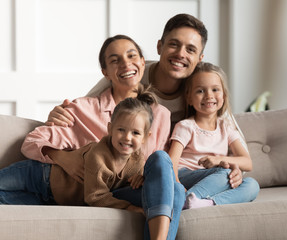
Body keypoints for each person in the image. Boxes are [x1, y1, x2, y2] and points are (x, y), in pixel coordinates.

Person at [1, 34, 184, 240]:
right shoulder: (84, 108)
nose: (125, 63)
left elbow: (156, 163)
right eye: (115, 60)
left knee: (175, 191)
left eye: (132, 56)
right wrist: (64, 158)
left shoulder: (161, 115)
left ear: (143, 62)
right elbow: (33, 140)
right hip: (71, 186)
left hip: (119, 191)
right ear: (105, 72)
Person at [47, 13, 245, 190]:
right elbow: (91, 108)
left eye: (190, 50)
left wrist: (232, 167)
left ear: (199, 58)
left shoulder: (201, 89)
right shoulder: (132, 74)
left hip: (171, 168)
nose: (181, 54)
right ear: (159, 46)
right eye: (174, 44)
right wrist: (58, 114)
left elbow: (228, 134)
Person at [0, 87, 155, 213]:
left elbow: (133, 178)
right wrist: (128, 207)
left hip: (53, 199)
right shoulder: (99, 156)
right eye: (121, 130)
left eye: (135, 133)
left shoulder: (137, 160)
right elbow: (95, 197)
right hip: (39, 175)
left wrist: (140, 177)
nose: (127, 137)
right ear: (110, 129)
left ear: (144, 138)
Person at [168, 62, 260, 209]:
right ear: (189, 98)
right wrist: (177, 186)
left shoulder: (227, 127)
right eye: (200, 91)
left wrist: (218, 160)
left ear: (223, 95)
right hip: (186, 175)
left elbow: (247, 163)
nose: (209, 96)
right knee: (224, 174)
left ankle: (205, 203)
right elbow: (171, 162)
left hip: (215, 177)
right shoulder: (186, 126)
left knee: (252, 185)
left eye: (215, 89)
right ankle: (183, 199)